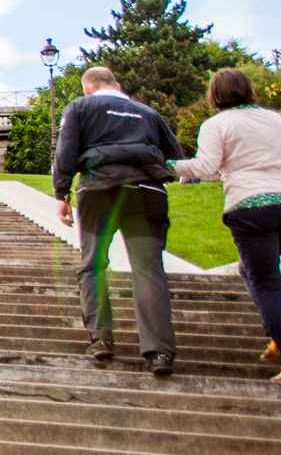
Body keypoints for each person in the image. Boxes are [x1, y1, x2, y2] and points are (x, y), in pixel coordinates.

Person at [171, 68, 281, 384]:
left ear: (214, 95)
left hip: (253, 206)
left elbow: (205, 167)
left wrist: (166, 164)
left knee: (264, 280)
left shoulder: (217, 124)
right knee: (256, 270)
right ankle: (278, 332)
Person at [54, 65, 184, 376]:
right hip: (146, 191)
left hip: (99, 190)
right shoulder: (147, 113)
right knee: (149, 269)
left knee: (93, 264)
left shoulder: (80, 107)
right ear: (118, 84)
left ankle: (101, 339)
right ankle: (159, 354)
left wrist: (61, 193)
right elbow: (175, 156)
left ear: (88, 88)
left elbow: (66, 151)